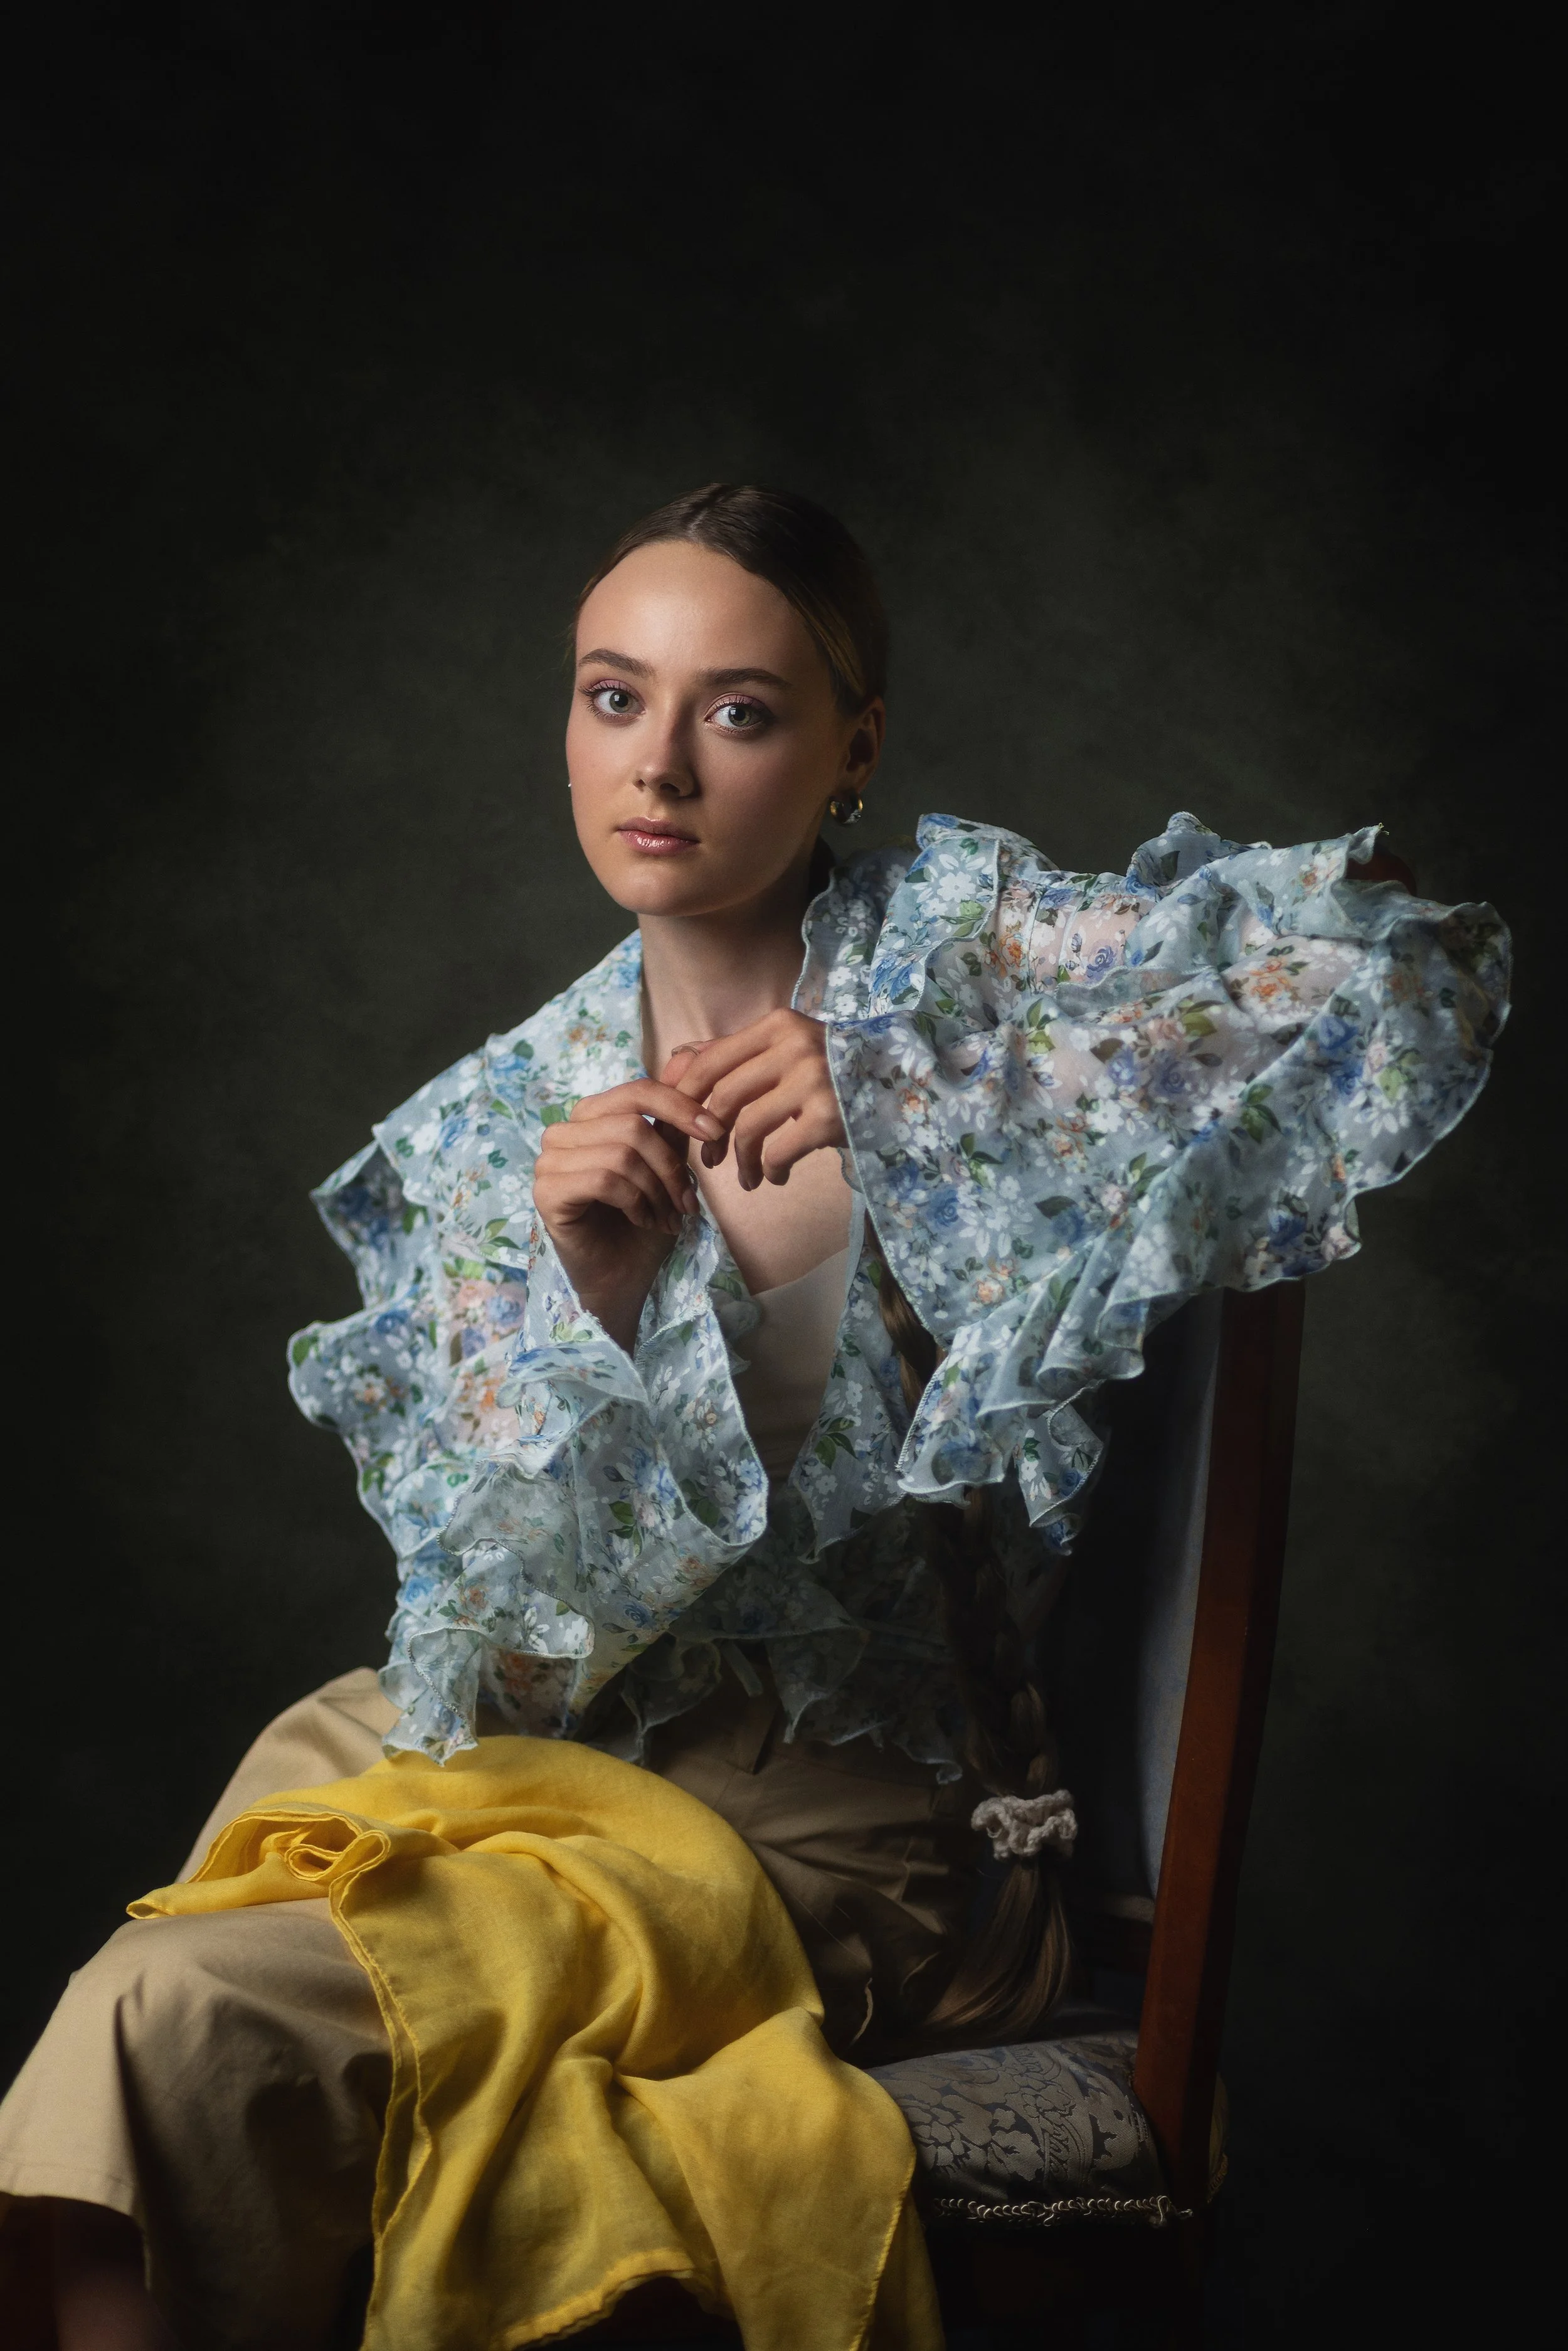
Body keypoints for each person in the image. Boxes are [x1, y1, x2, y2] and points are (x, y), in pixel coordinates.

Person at [0, 485, 1510, 2348]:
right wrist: (592, 1301)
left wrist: (915, 1093)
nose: (658, 766)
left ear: (849, 746)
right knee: (142, 2051)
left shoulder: (958, 962)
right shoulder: (499, 1122)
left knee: (188, 2020)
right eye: (609, 697)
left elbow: (1389, 969)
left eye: (738, 709)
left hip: (871, 1839)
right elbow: (496, 1634)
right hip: (527, 1775)